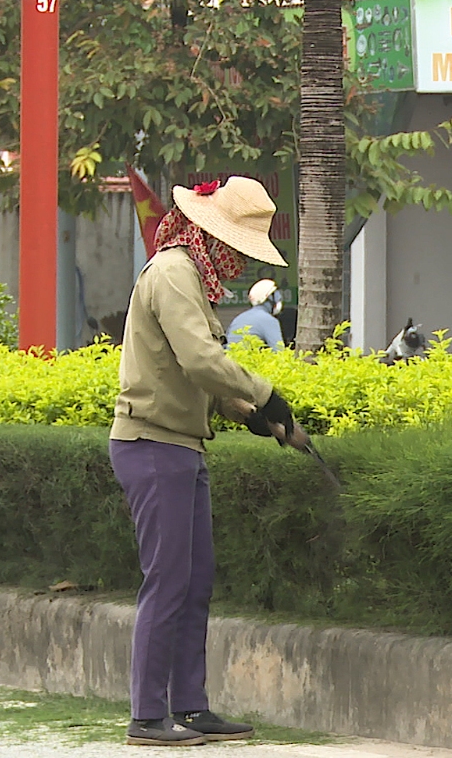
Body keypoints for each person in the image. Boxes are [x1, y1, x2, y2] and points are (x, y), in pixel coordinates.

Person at [110, 176, 297, 746]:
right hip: (152, 444)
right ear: (212, 236)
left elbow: (203, 380)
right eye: (237, 251)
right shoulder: (172, 273)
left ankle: (190, 707)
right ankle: (147, 716)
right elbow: (199, 359)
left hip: (181, 446)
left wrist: (254, 417)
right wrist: (266, 393)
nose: (240, 265)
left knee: (194, 582)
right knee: (168, 582)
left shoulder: (191, 277)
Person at [226, 278, 286, 350]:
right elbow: (279, 352)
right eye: (277, 297)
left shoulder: (238, 318)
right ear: (268, 298)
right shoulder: (269, 320)